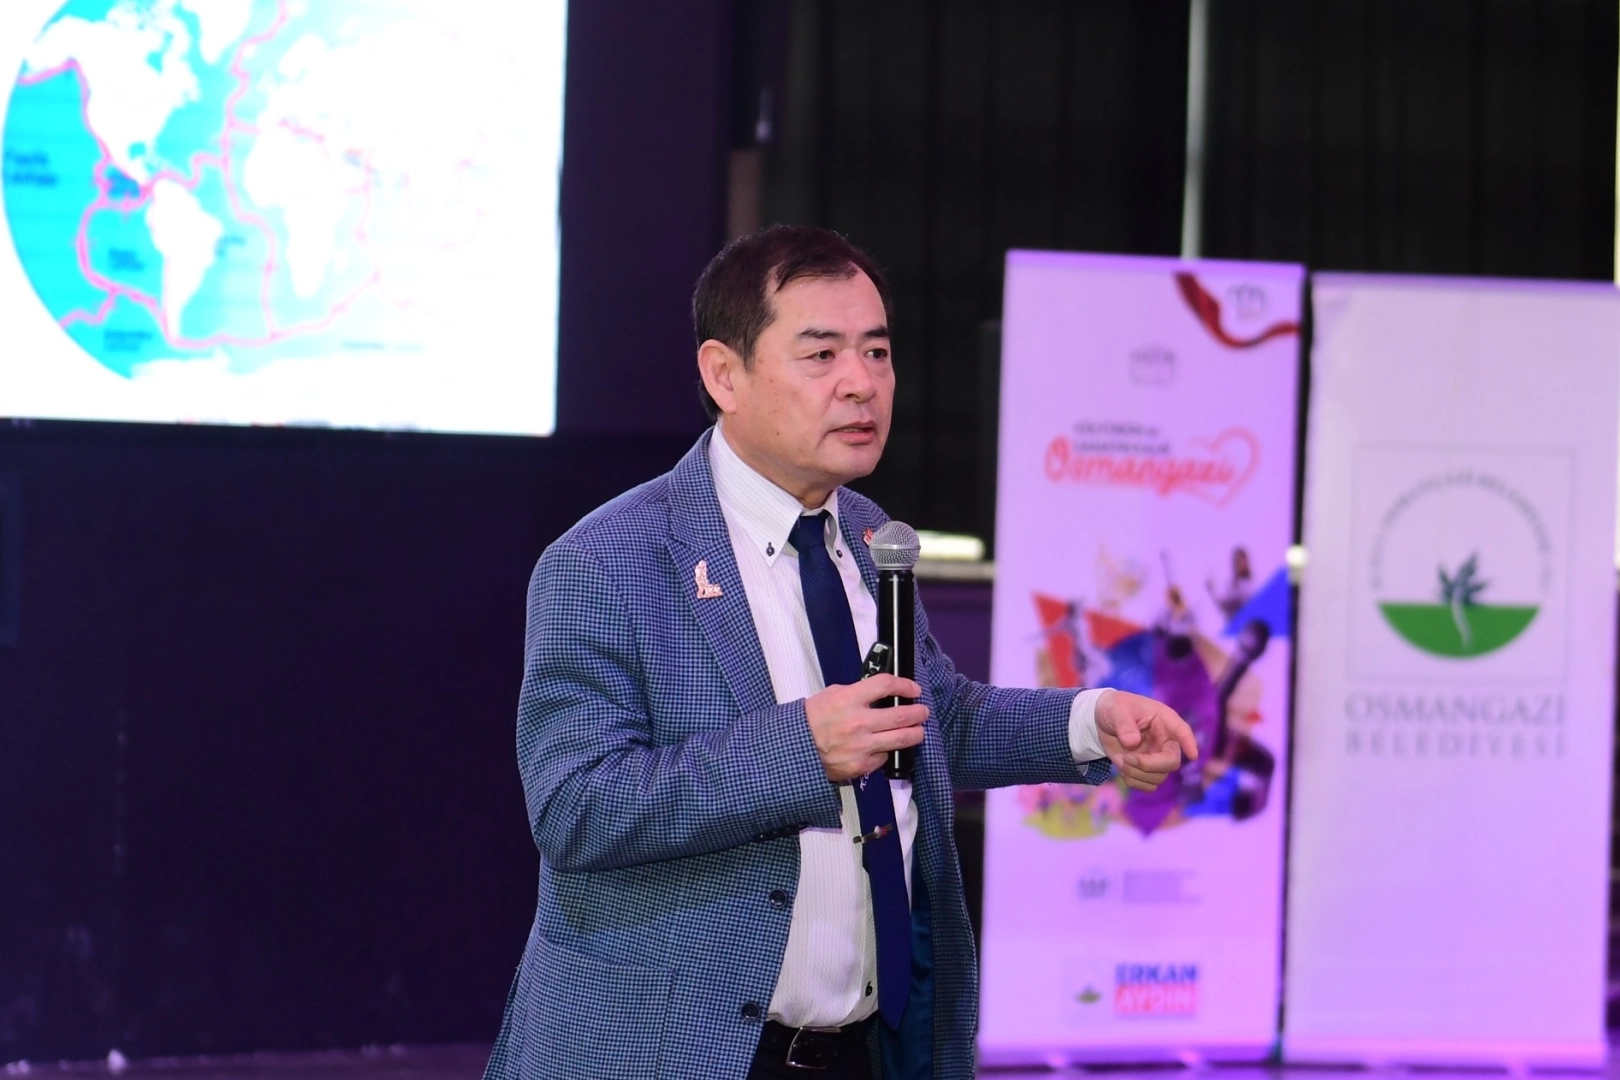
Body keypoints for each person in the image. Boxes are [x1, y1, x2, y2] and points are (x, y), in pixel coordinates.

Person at [483, 226, 1197, 1080]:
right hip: (678, 1053)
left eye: (877, 352)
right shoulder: (607, 562)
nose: (861, 383)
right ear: (724, 375)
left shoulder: (868, 536)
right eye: (821, 355)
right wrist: (803, 749)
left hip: (865, 1050)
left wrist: (1088, 722)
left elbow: (929, 720)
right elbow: (576, 808)